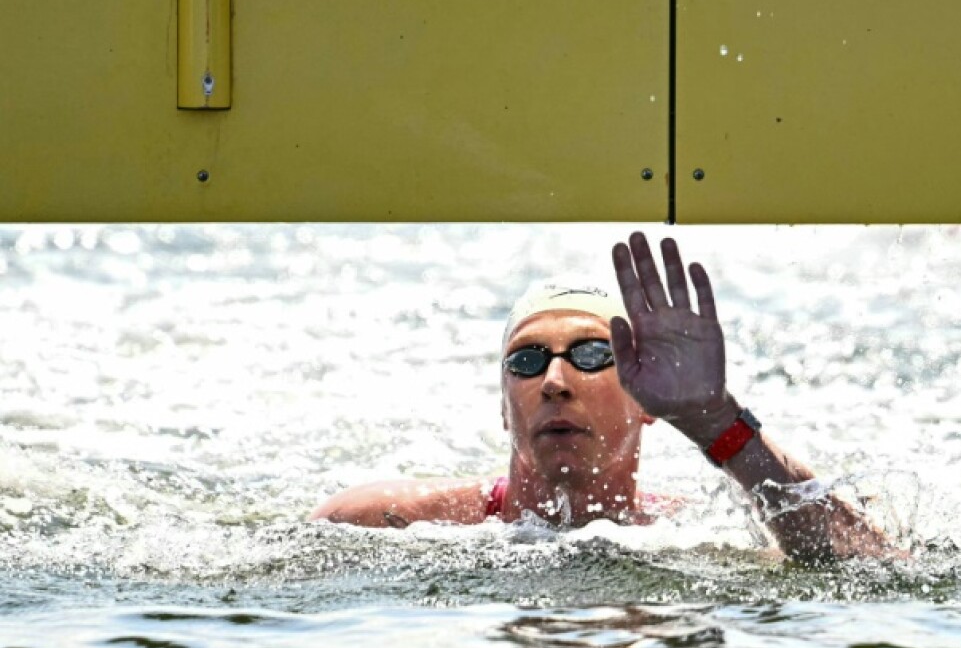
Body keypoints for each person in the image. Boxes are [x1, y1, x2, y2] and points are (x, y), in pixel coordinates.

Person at [311, 233, 892, 562]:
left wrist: (717, 422)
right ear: (503, 403)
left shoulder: (691, 540)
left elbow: (874, 571)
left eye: (591, 355)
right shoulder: (389, 522)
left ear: (646, 400)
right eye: (527, 360)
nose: (555, 381)